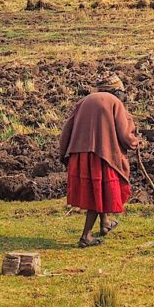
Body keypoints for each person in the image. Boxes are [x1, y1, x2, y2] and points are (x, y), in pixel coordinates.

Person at [59, 73, 140, 248]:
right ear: (117, 91)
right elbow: (125, 135)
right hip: (101, 155)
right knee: (97, 194)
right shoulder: (115, 103)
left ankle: (105, 223)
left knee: (99, 191)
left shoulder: (83, 102)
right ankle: (85, 237)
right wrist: (135, 141)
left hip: (79, 154)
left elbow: (67, 129)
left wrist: (63, 155)